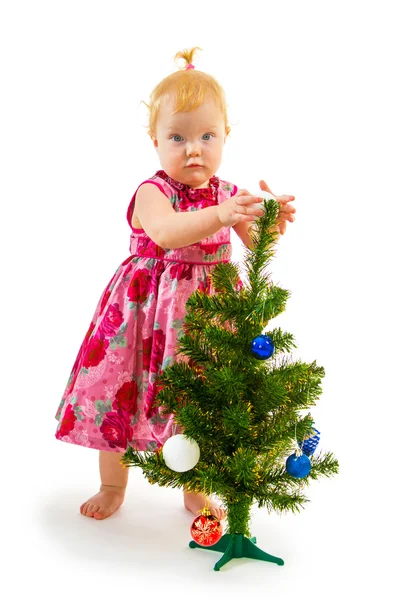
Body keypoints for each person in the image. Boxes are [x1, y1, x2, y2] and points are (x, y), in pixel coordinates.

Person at [55, 47, 296, 522]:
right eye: (178, 137)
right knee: (122, 392)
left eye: (208, 135)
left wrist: (271, 219)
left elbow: (253, 241)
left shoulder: (229, 193)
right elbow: (166, 233)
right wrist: (222, 215)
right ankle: (112, 483)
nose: (194, 148)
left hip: (205, 317)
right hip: (143, 312)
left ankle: (195, 486)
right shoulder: (153, 191)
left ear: (226, 136)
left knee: (201, 403)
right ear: (155, 141)